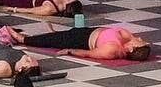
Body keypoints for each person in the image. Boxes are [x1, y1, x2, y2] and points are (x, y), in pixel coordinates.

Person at [10, 24, 151, 62]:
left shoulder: (112, 50)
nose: (139, 39)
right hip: (88, 31)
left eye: (139, 42)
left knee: (53, 40)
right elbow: (142, 45)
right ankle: (52, 33)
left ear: (131, 49)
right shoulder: (128, 39)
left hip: (80, 40)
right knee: (58, 35)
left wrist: (70, 51)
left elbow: (88, 53)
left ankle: (23, 39)